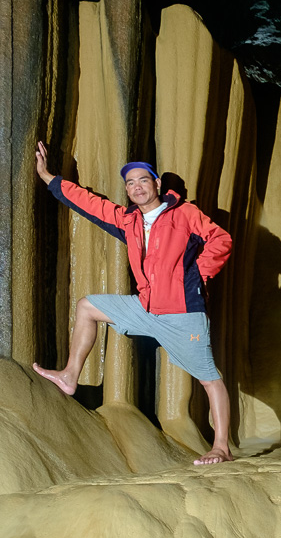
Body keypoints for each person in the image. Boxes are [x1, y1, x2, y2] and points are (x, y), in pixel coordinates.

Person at [32, 141, 234, 464]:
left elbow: (222, 240)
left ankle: (221, 447)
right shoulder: (129, 221)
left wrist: (195, 276)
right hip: (146, 309)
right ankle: (70, 375)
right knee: (86, 307)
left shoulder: (184, 214)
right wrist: (47, 177)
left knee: (209, 379)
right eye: (130, 183)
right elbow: (89, 204)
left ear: (156, 184)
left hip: (184, 314)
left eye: (143, 180)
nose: (136, 187)